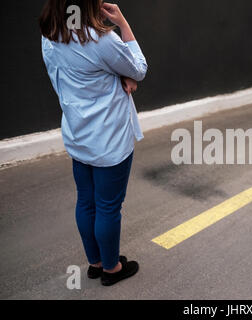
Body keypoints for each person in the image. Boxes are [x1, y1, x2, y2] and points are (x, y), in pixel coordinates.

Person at [39, 0, 148, 286]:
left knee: (86, 201)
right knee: (109, 206)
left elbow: (61, 80)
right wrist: (123, 24)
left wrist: (113, 76)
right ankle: (111, 269)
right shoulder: (101, 40)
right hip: (109, 138)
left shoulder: (50, 35)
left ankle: (95, 263)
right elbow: (138, 68)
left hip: (78, 133)